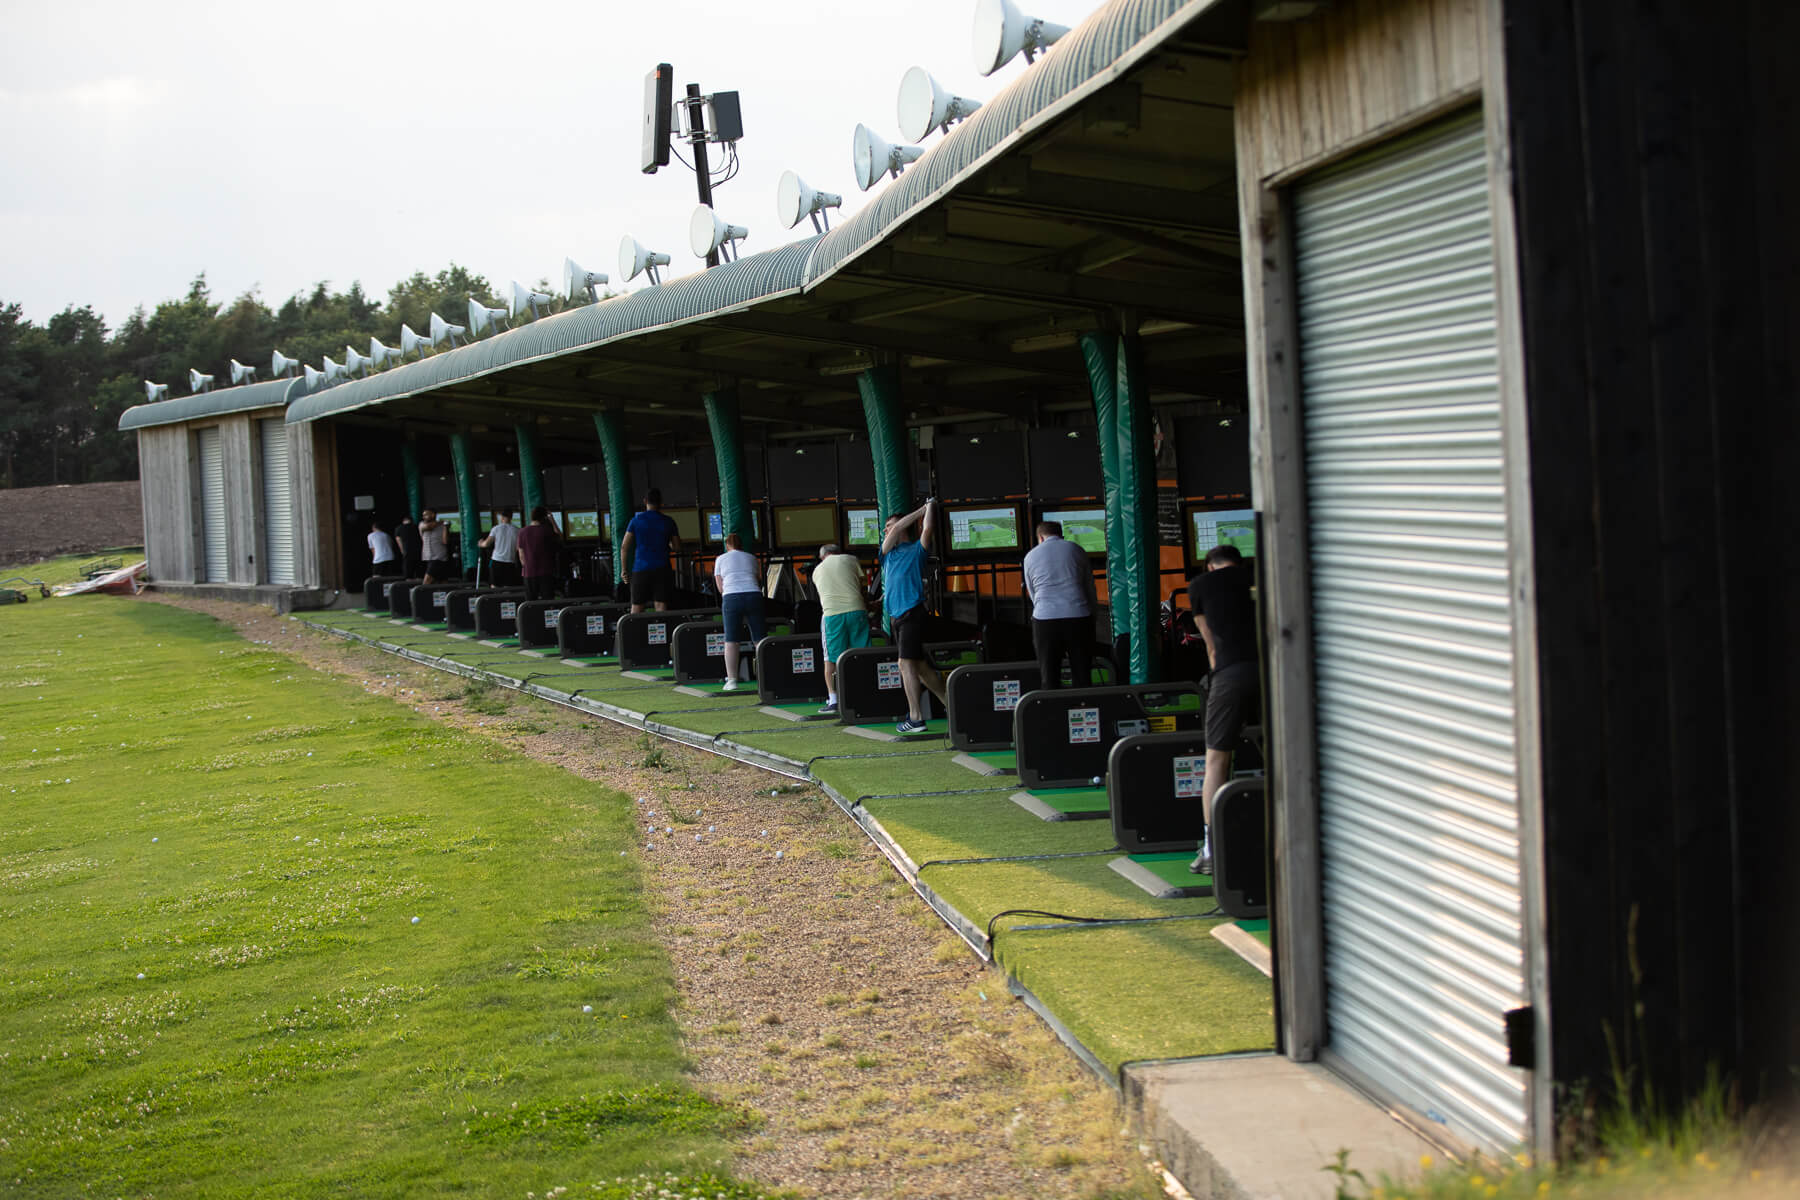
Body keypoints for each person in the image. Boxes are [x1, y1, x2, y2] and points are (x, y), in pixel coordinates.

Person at [1187, 543, 1260, 875]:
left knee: (1217, 758)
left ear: (1210, 565)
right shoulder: (1258, 577)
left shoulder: (1200, 585)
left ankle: (1212, 849)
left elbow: (1211, 647)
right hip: (1274, 672)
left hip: (1230, 673)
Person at [880, 498, 946, 734]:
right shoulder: (887, 553)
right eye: (886, 528)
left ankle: (916, 717)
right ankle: (953, 706)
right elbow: (897, 528)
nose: (887, 530)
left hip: (913, 613)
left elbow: (927, 529)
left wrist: (929, 509)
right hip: (897, 617)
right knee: (920, 667)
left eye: (889, 527)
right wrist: (922, 508)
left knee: (904, 662)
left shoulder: (917, 550)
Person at [1021, 520, 1097, 690]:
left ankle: (1053, 712)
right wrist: (1093, 616)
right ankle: (1084, 709)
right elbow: (1089, 587)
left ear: (1040, 537)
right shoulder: (1076, 549)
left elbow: (1032, 592)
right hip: (1078, 615)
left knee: (1049, 675)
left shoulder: (1030, 556)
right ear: (1061, 534)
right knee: (1083, 674)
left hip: (1045, 618)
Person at [810, 542, 870, 715]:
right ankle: (864, 694)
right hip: (857, 609)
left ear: (823, 556)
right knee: (861, 653)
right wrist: (868, 606)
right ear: (838, 552)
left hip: (832, 614)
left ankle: (834, 700)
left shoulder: (817, 570)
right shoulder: (852, 559)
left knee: (831, 658)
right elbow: (862, 587)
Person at [712, 532, 765, 692]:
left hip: (731, 597)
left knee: (731, 640)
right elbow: (757, 578)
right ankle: (766, 676)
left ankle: (732, 680)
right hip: (753, 595)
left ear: (727, 545)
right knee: (759, 638)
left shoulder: (720, 559)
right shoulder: (751, 557)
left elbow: (720, 586)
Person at [619, 488, 680, 613]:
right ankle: (662, 632)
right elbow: (677, 547)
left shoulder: (635, 520)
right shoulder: (668, 521)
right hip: (662, 568)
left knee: (637, 606)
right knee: (661, 605)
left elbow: (624, 547)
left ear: (645, 501)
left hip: (640, 569)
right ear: (661, 502)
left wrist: (624, 570)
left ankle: (634, 632)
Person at [518, 506, 560, 601]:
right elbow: (559, 535)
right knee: (548, 602)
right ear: (544, 518)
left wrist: (526, 567)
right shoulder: (547, 530)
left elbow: (521, 554)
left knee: (531, 603)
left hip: (529, 572)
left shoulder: (522, 532)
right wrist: (552, 520)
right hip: (546, 572)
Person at [480, 510, 521, 587]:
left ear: (502, 517)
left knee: (494, 585)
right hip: (510, 562)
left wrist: (480, 544)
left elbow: (486, 544)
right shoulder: (517, 530)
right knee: (509, 586)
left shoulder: (496, 528)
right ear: (511, 517)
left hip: (496, 561)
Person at [418, 508, 453, 585]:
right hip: (428, 557)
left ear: (433, 515)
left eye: (426, 515)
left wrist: (446, 528)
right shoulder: (421, 524)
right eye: (423, 515)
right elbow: (428, 527)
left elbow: (445, 541)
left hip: (439, 557)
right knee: (440, 582)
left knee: (426, 582)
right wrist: (442, 522)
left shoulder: (442, 526)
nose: (424, 517)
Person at [395, 514, 423, 579]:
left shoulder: (399, 528)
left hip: (407, 551)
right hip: (419, 551)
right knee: (419, 571)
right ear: (412, 521)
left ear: (403, 521)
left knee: (408, 573)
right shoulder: (417, 527)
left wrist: (402, 551)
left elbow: (399, 541)